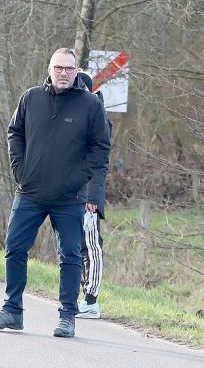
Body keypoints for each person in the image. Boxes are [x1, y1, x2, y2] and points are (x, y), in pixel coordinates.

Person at [0, 48, 110, 339]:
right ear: (49, 69)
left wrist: (79, 179)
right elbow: (15, 132)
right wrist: (19, 169)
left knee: (70, 255)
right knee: (14, 248)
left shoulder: (90, 105)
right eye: (58, 68)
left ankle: (67, 316)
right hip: (29, 191)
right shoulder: (31, 98)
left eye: (68, 68)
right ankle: (12, 310)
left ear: (76, 71)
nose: (63, 73)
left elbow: (100, 148)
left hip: (69, 197)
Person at [74, 70, 110, 319]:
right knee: (74, 247)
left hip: (88, 197)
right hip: (70, 195)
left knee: (91, 246)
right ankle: (76, 296)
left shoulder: (100, 121)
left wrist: (92, 198)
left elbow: (99, 165)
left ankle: (91, 299)